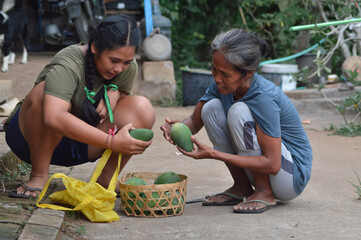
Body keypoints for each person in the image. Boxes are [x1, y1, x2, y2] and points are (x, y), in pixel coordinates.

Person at [161, 28, 312, 213]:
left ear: (248, 73)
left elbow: (273, 164)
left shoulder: (264, 96)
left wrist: (214, 154)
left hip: (290, 176)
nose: (217, 79)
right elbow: (194, 120)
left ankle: (264, 192)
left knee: (239, 111)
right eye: (214, 70)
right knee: (211, 108)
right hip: (266, 168)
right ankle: (242, 187)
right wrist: (176, 128)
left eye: (225, 74)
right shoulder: (220, 84)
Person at [5, 14, 156, 198]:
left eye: (126, 62)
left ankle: (105, 180)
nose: (119, 68)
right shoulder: (69, 62)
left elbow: (125, 95)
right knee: (44, 94)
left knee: (142, 107)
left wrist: (115, 92)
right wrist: (112, 142)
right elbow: (53, 117)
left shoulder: (126, 68)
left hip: (79, 146)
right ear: (94, 47)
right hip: (28, 141)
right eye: (114, 61)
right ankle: (38, 175)